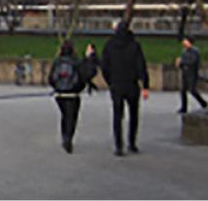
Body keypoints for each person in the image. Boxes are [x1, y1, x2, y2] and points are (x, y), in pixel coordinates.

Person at [100, 20, 150, 156]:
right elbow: (141, 66)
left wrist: (110, 81)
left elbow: (104, 66)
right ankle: (132, 142)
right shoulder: (134, 45)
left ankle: (118, 145)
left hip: (116, 84)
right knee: (134, 114)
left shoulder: (109, 45)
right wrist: (145, 85)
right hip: (132, 84)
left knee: (117, 115)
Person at [47, 39, 90, 153]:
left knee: (64, 115)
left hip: (60, 93)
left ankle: (64, 136)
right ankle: (69, 137)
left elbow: (51, 78)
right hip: (73, 93)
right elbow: (83, 76)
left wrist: (57, 87)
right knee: (72, 117)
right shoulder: (76, 61)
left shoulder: (57, 61)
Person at [175, 37, 208, 113]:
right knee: (183, 90)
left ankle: (203, 103)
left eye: (185, 41)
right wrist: (179, 64)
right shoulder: (184, 51)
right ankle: (184, 107)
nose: (183, 43)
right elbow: (183, 62)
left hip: (192, 73)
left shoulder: (194, 51)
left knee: (192, 90)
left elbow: (193, 61)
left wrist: (182, 61)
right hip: (185, 72)